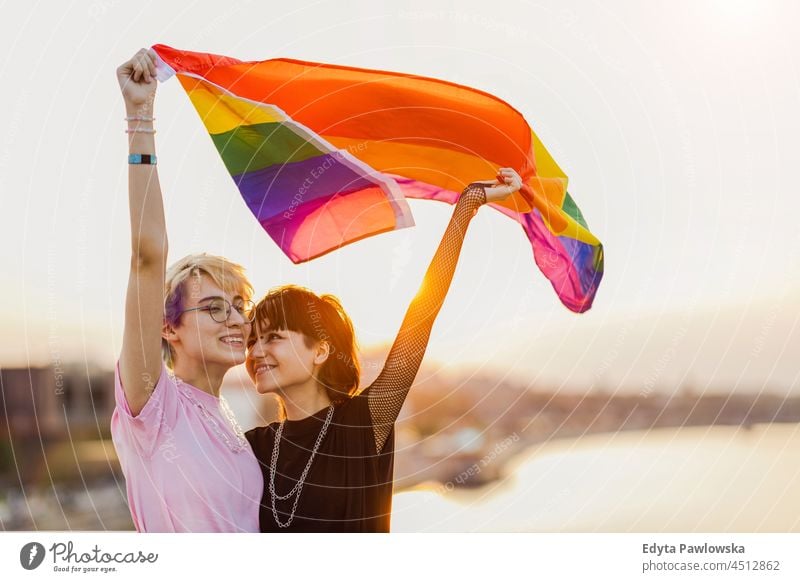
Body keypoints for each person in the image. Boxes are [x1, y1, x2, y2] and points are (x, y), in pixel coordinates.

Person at [245, 169, 523, 531]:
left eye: (273, 337)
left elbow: (421, 316)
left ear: (320, 351)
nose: (256, 351)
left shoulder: (364, 422)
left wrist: (467, 205)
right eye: (252, 340)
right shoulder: (251, 447)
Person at [110, 48, 262, 532]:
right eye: (214, 308)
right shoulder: (155, 407)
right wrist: (140, 116)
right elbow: (146, 257)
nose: (237, 320)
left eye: (240, 306)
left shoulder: (228, 413)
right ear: (167, 326)